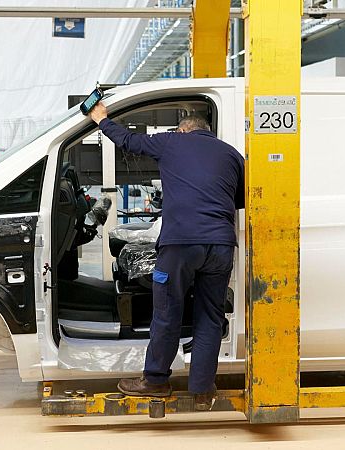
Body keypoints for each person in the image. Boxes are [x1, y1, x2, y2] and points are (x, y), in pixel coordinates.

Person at [89, 102, 245, 410]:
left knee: (168, 311)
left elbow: (128, 141)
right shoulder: (232, 155)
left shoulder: (173, 141)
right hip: (220, 245)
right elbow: (238, 199)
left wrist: (101, 119)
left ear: (184, 129)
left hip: (180, 245)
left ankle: (156, 381)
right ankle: (202, 388)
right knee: (210, 316)